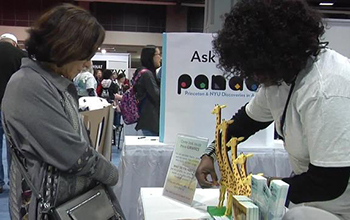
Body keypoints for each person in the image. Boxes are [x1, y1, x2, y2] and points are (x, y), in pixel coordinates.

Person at [195, 0, 350, 219]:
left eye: (255, 69)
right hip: (312, 203)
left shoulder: (325, 90)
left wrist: (265, 187)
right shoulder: (279, 79)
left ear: (275, 52)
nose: (253, 77)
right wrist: (210, 153)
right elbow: (242, 124)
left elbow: (329, 182)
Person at [1, 4, 124, 219]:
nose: (87, 64)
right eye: (85, 55)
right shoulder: (28, 84)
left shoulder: (52, 82)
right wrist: (112, 173)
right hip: (47, 207)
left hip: (67, 202)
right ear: (65, 47)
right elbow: (72, 153)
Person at [0, 33, 27, 194]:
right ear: (15, 43)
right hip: (14, 107)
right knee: (14, 147)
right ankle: (14, 182)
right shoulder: (21, 56)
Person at [134, 45, 161, 136]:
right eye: (158, 54)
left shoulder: (142, 72)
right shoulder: (147, 74)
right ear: (151, 57)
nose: (160, 58)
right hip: (151, 120)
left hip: (147, 119)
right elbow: (157, 96)